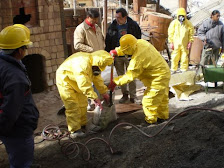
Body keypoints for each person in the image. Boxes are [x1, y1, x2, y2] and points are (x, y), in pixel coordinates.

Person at [0, 25, 39, 167]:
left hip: (11, 130)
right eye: (25, 47)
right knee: (21, 163)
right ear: (19, 50)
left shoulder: (4, 62)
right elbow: (11, 111)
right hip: (18, 131)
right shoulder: (15, 78)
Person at [109, 34, 171, 124]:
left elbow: (130, 76)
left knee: (149, 101)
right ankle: (163, 118)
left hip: (158, 77)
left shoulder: (138, 58)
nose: (125, 53)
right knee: (161, 98)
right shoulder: (140, 42)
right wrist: (117, 51)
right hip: (161, 72)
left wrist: (115, 82)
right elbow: (128, 48)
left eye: (125, 51)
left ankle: (151, 122)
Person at [56, 50, 113, 137]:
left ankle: (82, 125)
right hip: (65, 80)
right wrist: (95, 98)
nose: (97, 70)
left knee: (83, 105)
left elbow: (98, 80)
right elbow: (84, 84)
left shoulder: (94, 65)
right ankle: (75, 130)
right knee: (73, 106)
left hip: (76, 82)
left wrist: (104, 92)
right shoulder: (82, 64)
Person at [105, 8, 142, 104]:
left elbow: (138, 38)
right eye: (116, 17)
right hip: (117, 56)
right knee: (121, 76)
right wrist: (109, 53)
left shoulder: (133, 25)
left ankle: (133, 96)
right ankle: (124, 94)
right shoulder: (112, 26)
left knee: (132, 75)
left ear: (125, 17)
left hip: (130, 55)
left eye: (119, 17)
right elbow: (108, 40)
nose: (117, 19)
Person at [168, 8, 194, 74]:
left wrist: (190, 42)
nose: (181, 17)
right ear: (177, 16)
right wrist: (171, 42)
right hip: (175, 43)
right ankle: (173, 69)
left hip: (184, 44)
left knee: (184, 57)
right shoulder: (174, 23)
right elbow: (170, 33)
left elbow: (191, 34)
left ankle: (184, 69)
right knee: (174, 57)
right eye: (180, 15)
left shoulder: (188, 24)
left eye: (183, 16)